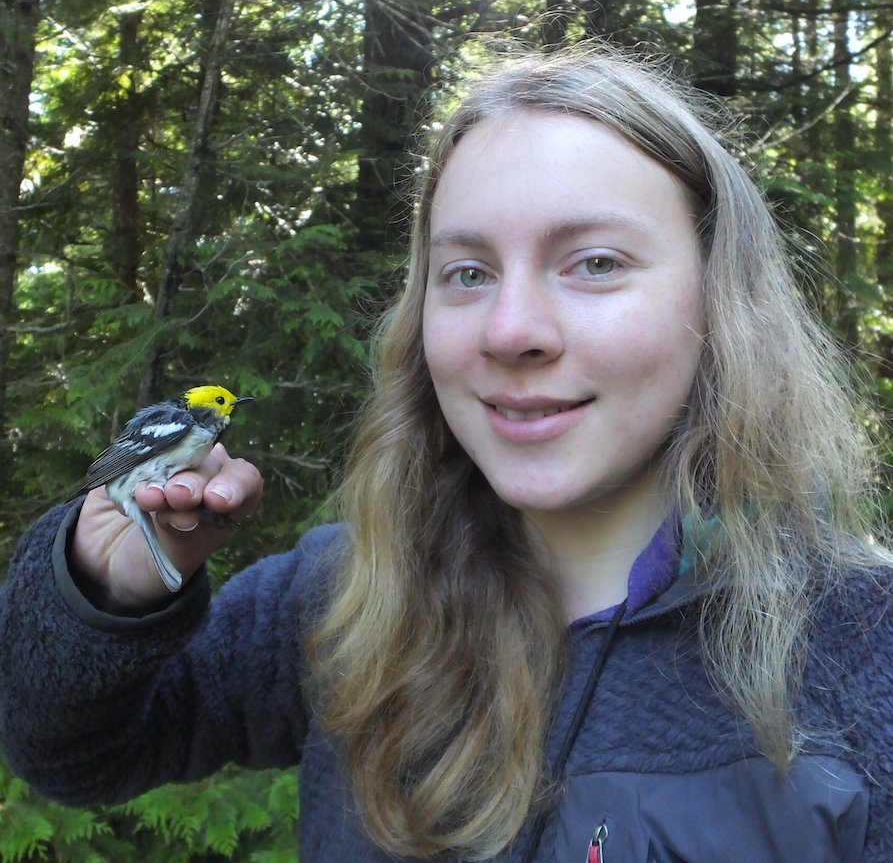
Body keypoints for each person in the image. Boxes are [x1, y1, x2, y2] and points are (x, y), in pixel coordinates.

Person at [1, 44, 891, 862]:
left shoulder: (863, 653)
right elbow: (71, 754)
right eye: (466, 272)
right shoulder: (340, 596)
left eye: (593, 263)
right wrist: (104, 586)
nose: (510, 330)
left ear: (719, 296)